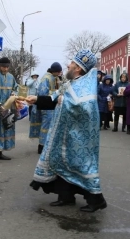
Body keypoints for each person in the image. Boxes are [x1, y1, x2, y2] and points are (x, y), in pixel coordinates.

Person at [28, 49, 107, 213]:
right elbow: (54, 99)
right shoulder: (70, 83)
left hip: (79, 136)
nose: (68, 65)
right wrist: (36, 100)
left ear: (77, 68)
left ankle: (96, 200)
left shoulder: (86, 86)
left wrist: (63, 101)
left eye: (71, 63)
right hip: (64, 134)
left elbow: (84, 107)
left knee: (82, 166)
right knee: (63, 163)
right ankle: (66, 196)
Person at [34, 62, 62, 154]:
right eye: (58, 72)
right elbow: (42, 93)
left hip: (51, 105)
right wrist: (55, 93)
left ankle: (47, 145)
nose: (59, 74)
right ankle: (41, 146)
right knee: (45, 126)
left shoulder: (54, 77)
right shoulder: (46, 78)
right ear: (54, 71)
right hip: (46, 105)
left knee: (50, 125)